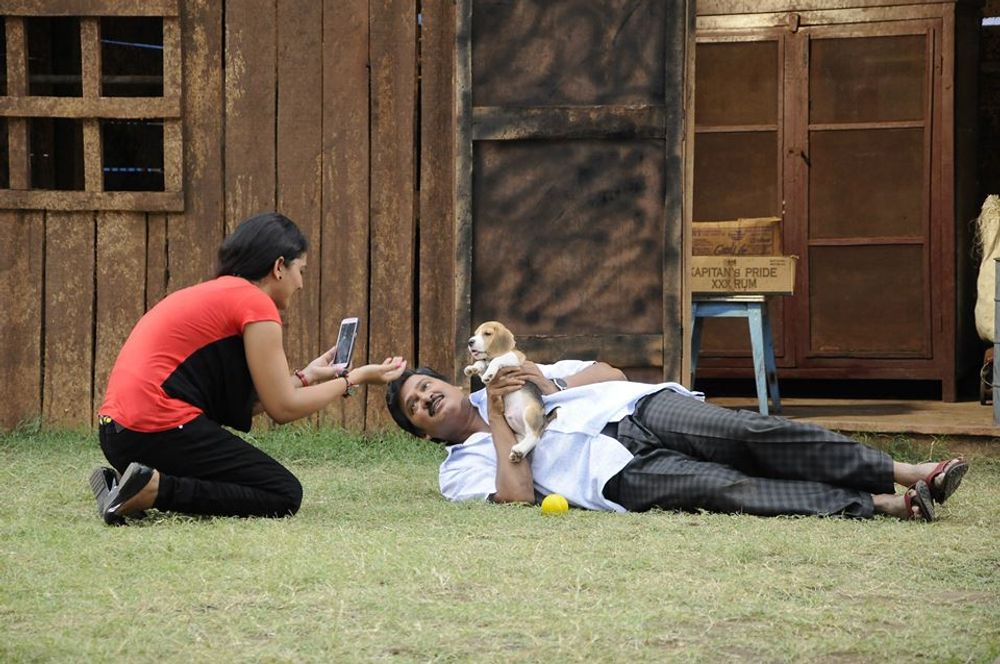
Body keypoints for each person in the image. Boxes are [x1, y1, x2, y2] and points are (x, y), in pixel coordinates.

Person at [90, 212, 407, 525]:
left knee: (249, 481)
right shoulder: (256, 303)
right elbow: (283, 408)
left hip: (118, 435)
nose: (301, 284)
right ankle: (153, 489)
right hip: (155, 428)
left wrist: (307, 376)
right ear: (279, 267)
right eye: (300, 270)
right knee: (283, 492)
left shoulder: (218, 294)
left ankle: (128, 482)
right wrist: (355, 378)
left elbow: (252, 404)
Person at [385, 359, 968, 521]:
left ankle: (908, 472)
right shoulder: (456, 470)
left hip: (635, 408)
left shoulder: (511, 376)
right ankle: (884, 504)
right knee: (730, 490)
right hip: (610, 475)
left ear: (448, 382)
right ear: (422, 432)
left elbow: (609, 372)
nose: (425, 398)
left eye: (425, 386)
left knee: (751, 432)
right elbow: (514, 498)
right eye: (415, 407)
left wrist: (547, 379)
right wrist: (497, 418)